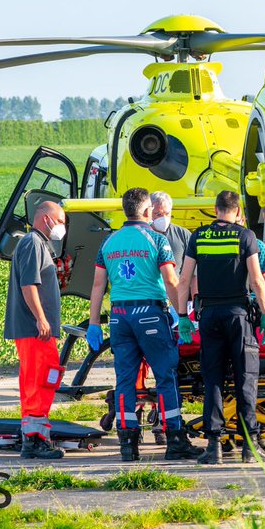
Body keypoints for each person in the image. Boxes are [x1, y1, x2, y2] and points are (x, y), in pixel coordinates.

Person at [87, 188, 204, 462]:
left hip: (119, 316)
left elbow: (97, 285)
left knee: (125, 380)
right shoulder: (156, 240)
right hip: (150, 313)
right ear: (148, 211)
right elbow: (171, 280)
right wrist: (182, 315)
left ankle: (128, 444)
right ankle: (174, 439)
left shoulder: (109, 243)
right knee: (166, 376)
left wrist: (94, 322)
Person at [176, 191, 265, 465]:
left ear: (216, 209)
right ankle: (249, 446)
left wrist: (183, 315)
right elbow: (256, 279)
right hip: (239, 315)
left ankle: (213, 447)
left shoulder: (199, 236)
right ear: (238, 210)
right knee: (246, 379)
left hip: (209, 316)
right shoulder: (245, 236)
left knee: (213, 379)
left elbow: (184, 280)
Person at [3, 201, 68, 460]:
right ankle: (34, 439)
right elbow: (29, 284)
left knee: (43, 378)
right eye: (61, 220)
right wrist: (41, 319)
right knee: (37, 380)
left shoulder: (40, 245)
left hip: (39, 330)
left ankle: (36, 435)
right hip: (35, 329)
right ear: (46, 219)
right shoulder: (32, 243)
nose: (63, 226)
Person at [150, 191, 191, 269]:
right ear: (149, 212)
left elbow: (192, 272)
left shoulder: (183, 235)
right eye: (158, 214)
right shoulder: (141, 235)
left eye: (167, 214)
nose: (164, 218)